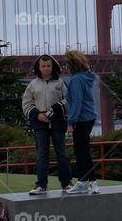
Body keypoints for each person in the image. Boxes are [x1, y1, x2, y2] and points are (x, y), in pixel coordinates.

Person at [22, 54, 72, 195]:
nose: (46, 68)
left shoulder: (60, 83)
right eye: (43, 66)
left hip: (58, 123)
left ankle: (66, 183)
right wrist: (36, 115)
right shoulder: (33, 85)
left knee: (62, 154)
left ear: (53, 66)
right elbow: (26, 103)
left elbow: (69, 99)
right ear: (38, 67)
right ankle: (41, 185)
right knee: (41, 155)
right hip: (40, 124)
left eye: (48, 66)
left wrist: (58, 107)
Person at [63, 50, 100, 195]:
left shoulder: (76, 80)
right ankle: (82, 182)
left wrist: (71, 122)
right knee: (80, 151)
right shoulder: (85, 77)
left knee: (82, 151)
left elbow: (77, 102)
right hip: (89, 117)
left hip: (81, 119)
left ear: (72, 64)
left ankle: (93, 182)